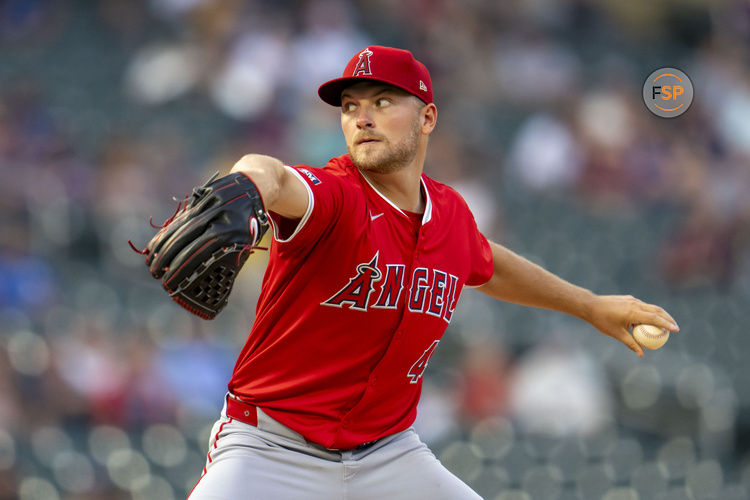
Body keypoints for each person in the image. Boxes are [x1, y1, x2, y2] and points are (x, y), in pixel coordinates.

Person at [187, 46, 679, 499]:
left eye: (382, 102)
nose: (362, 118)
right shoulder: (334, 196)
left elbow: (489, 263)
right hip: (271, 449)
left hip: (388, 455)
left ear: (427, 117)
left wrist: (589, 306)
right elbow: (271, 174)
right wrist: (244, 183)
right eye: (350, 106)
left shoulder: (450, 214)